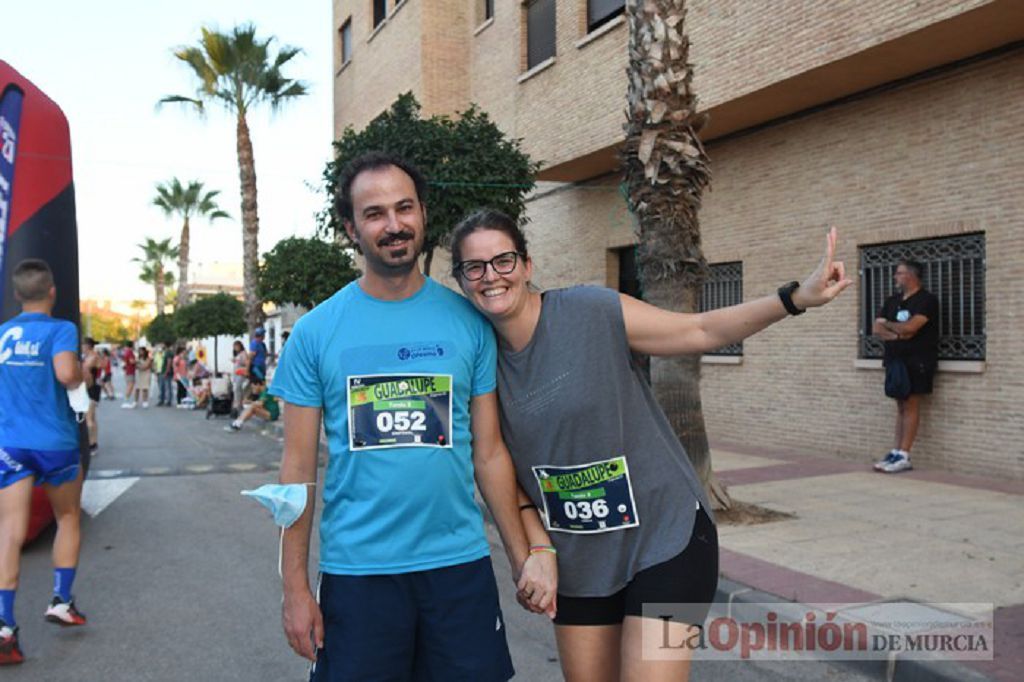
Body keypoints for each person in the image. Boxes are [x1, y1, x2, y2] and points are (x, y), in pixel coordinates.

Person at [448, 210, 851, 682]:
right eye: (475, 267)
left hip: (665, 537)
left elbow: (699, 330)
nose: (491, 276)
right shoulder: (479, 361)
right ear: (460, 280)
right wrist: (534, 553)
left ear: (527, 265)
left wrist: (794, 298)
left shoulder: (589, 311)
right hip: (580, 557)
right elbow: (504, 472)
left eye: (503, 260)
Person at [269, 152, 555, 681]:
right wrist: (294, 590)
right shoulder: (315, 333)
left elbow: (489, 453)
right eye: (374, 213)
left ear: (423, 214)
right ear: (350, 228)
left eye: (404, 208)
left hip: (458, 571)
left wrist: (521, 556)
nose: (394, 224)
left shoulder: (468, 323)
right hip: (358, 577)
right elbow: (296, 473)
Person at [0, 259, 89, 666]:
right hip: (53, 442)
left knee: (9, 531)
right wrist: (85, 370)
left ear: (17, 295)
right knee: (68, 517)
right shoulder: (60, 329)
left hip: (10, 443)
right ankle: (60, 601)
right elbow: (67, 373)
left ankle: (4, 627)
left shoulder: (2, 334)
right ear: (51, 291)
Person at [871, 259, 939, 474]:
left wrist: (892, 328)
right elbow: (876, 329)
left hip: (917, 361)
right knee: (899, 405)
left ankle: (904, 455)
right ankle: (896, 451)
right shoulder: (893, 301)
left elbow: (912, 328)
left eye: (899, 273)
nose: (895, 277)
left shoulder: (926, 300)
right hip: (895, 360)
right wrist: (899, 332)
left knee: (910, 405)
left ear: (911, 275)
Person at [81, 337, 102, 455]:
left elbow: (84, 369)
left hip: (91, 389)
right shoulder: (89, 357)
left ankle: (90, 444)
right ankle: (93, 443)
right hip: (90, 388)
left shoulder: (93, 357)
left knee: (89, 418)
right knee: (92, 417)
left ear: (88, 346)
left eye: (82, 345)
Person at [230, 340, 248, 417]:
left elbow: (246, 362)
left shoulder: (243, 353)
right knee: (236, 390)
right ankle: (238, 406)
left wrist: (237, 361)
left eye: (237, 346)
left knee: (238, 389)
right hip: (236, 374)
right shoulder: (238, 354)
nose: (235, 348)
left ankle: (238, 406)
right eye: (234, 347)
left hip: (241, 374)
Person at [120, 341, 136, 408]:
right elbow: (131, 361)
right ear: (132, 345)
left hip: (128, 370)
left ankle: (127, 400)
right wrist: (137, 361)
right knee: (130, 386)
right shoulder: (130, 352)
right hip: (130, 371)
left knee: (129, 385)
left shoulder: (126, 352)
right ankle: (126, 400)